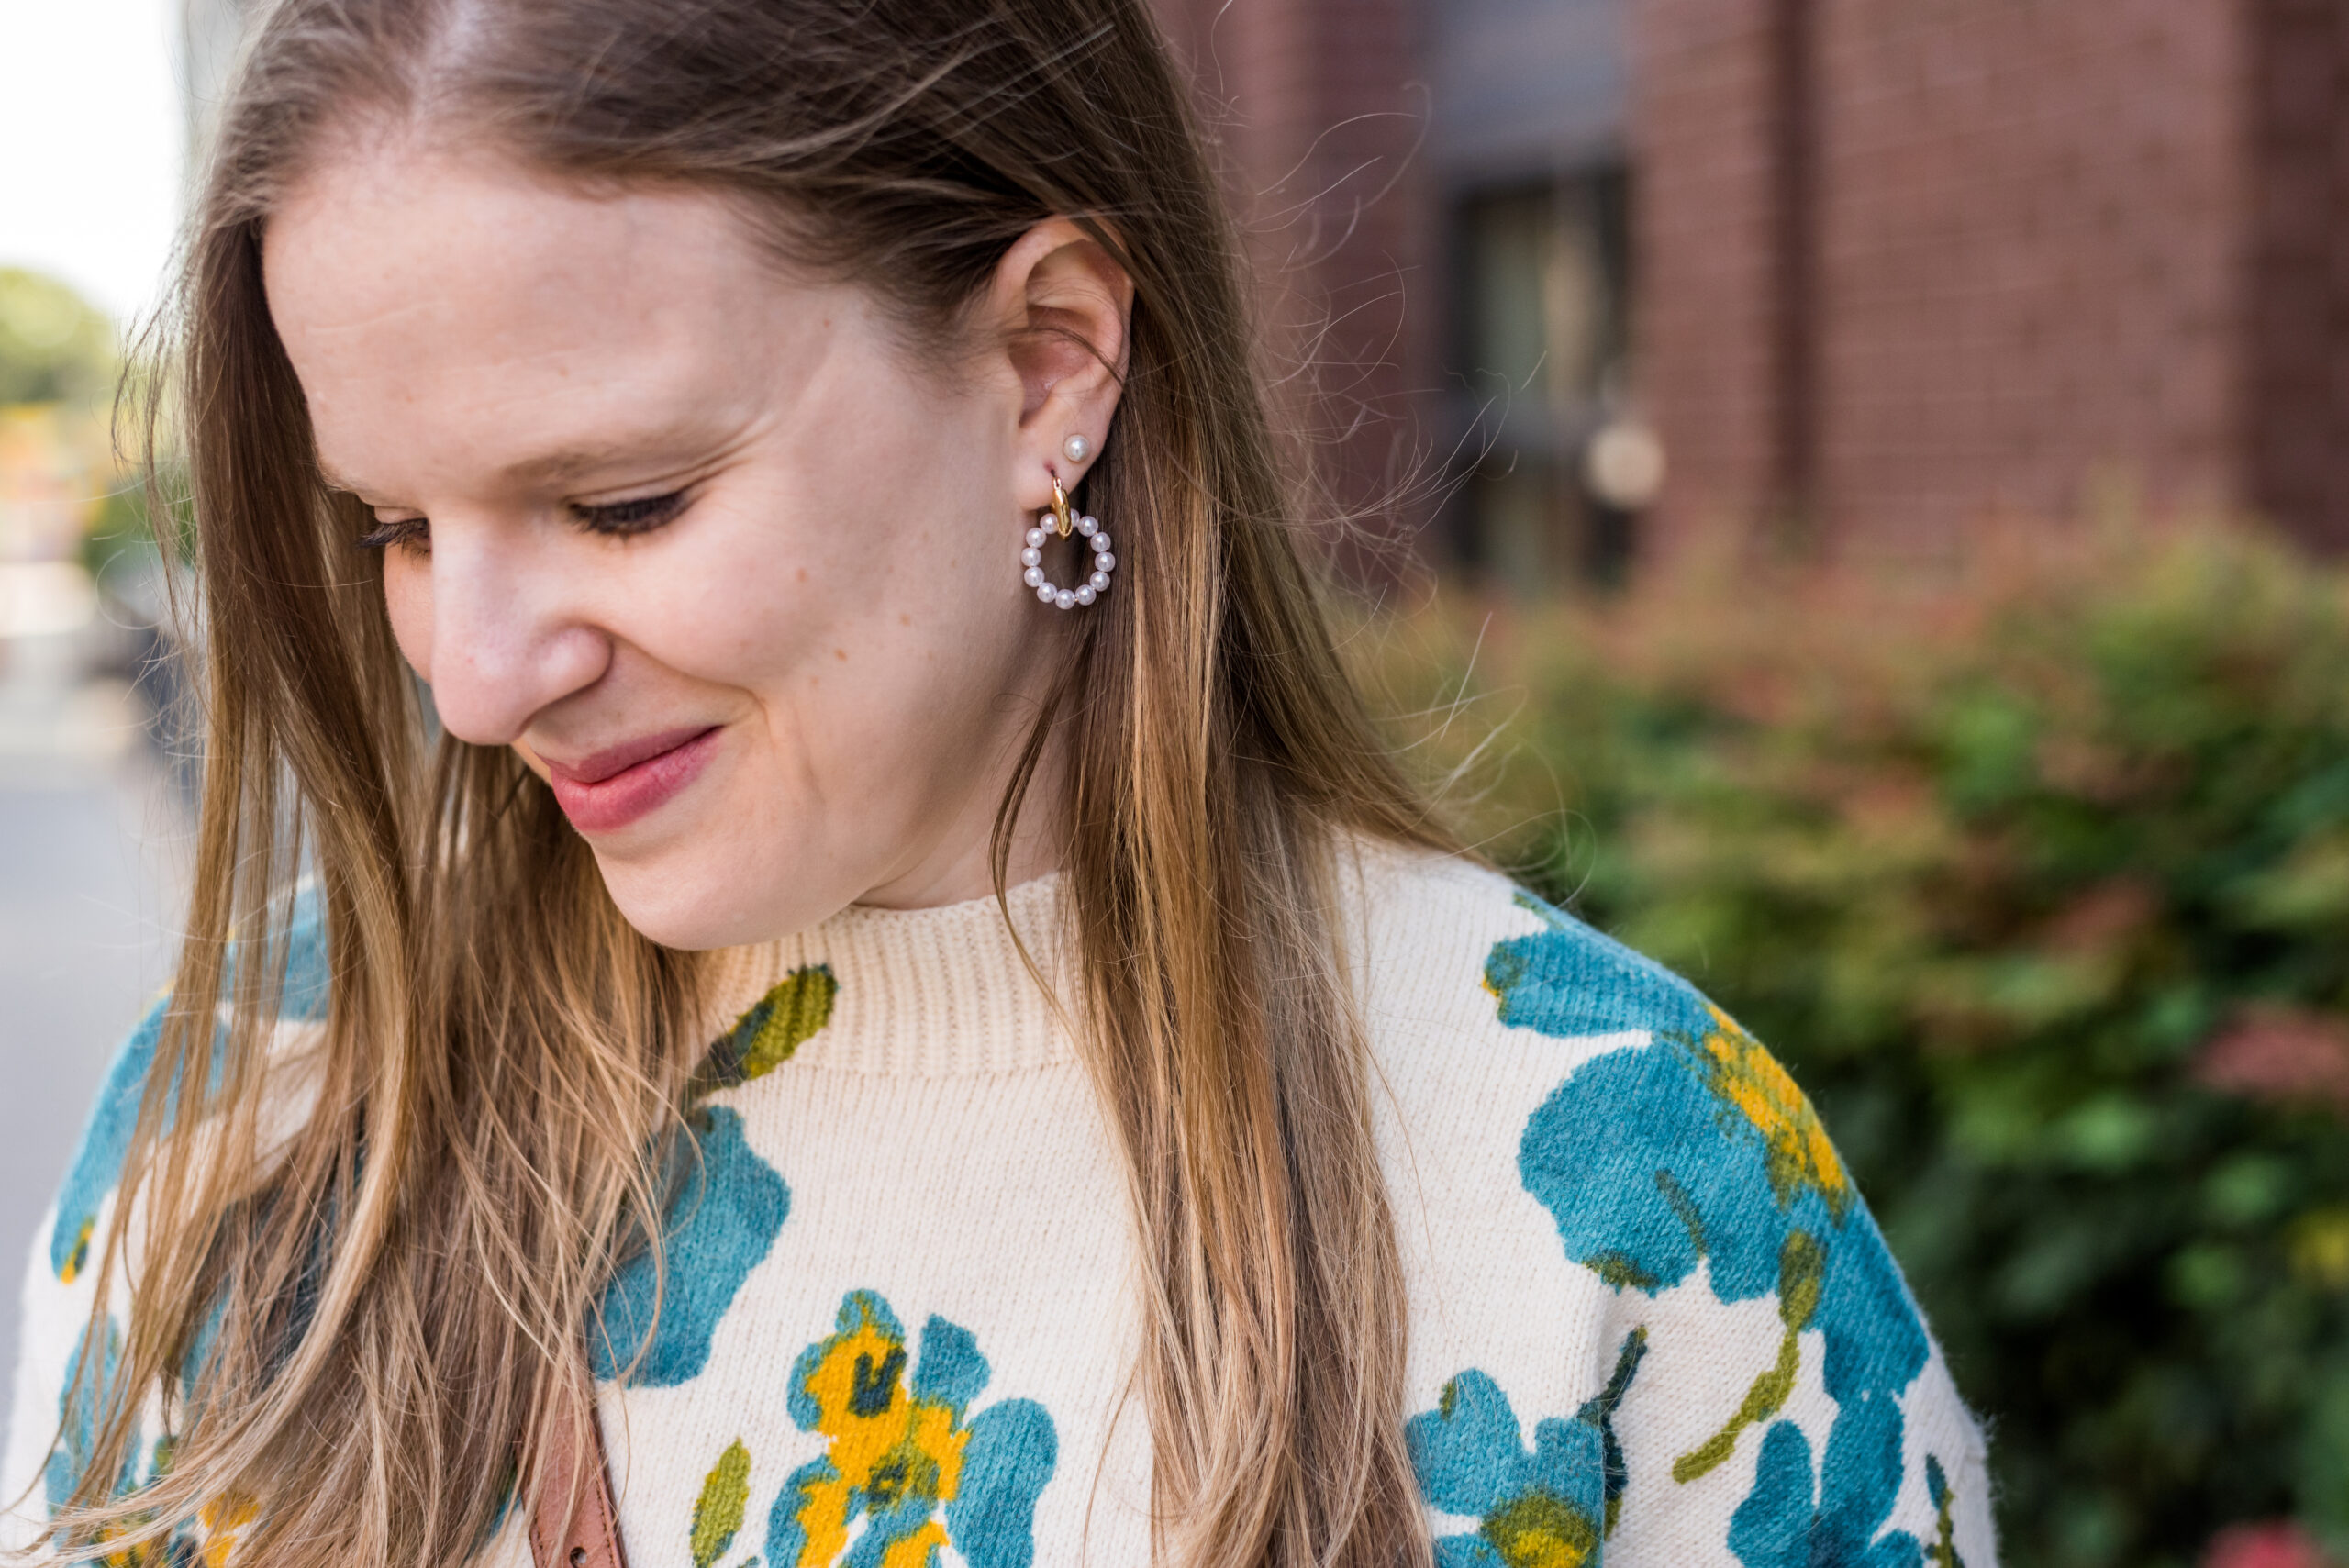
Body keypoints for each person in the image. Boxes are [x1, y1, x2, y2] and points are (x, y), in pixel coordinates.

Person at [0, 2, 1995, 1564]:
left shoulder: (1616, 1192)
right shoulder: (259, 1100)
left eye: (622, 503)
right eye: (398, 529)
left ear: (1048, 366)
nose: (475, 681)